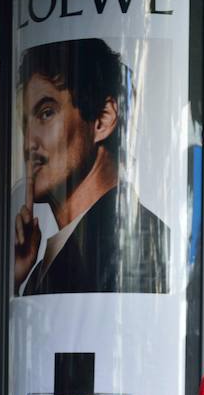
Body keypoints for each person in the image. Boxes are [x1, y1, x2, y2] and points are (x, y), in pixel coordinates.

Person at [14, 38, 170, 296]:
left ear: (103, 119)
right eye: (24, 124)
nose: (28, 142)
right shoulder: (45, 262)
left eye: (46, 113)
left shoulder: (141, 243)